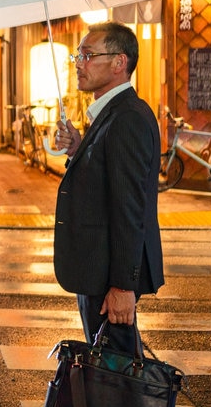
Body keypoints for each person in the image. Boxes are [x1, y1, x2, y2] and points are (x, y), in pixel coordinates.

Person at [52, 21, 164, 355]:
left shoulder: (126, 117)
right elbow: (104, 181)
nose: (78, 64)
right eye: (78, 55)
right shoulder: (110, 114)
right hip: (97, 269)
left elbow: (129, 209)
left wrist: (123, 286)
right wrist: (78, 148)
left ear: (119, 63)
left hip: (109, 276)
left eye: (87, 55)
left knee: (118, 375)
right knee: (111, 370)